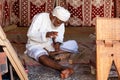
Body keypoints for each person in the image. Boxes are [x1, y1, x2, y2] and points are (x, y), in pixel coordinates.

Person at [25, 6, 79, 79]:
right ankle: (63, 68)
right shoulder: (40, 17)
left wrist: (57, 43)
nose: (59, 24)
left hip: (49, 45)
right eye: (58, 22)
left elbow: (60, 36)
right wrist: (46, 34)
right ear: (52, 15)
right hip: (35, 44)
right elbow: (30, 34)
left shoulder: (60, 22)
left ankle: (53, 55)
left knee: (73, 44)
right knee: (41, 56)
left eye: (62, 23)